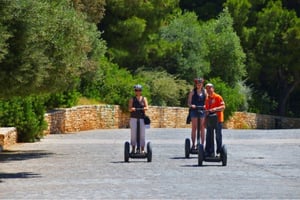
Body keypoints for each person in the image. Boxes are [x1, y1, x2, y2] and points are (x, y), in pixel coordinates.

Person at [205, 83, 225, 157]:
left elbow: (223, 107)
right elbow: (207, 109)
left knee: (218, 136)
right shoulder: (206, 99)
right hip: (210, 120)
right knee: (209, 135)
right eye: (207, 88)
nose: (208, 90)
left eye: (210, 88)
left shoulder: (218, 97)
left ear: (213, 88)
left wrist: (215, 109)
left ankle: (219, 151)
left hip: (218, 120)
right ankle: (209, 151)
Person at [128, 84, 149, 154]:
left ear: (141, 91)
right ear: (135, 91)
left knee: (142, 134)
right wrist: (132, 109)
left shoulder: (144, 99)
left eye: (139, 90)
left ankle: (142, 149)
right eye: (136, 90)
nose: (138, 92)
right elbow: (129, 109)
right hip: (133, 118)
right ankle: (133, 148)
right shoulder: (132, 99)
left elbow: (147, 107)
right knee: (133, 134)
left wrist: (143, 108)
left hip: (141, 118)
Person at [187, 78, 206, 150]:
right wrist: (191, 105)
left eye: (200, 83)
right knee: (194, 128)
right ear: (196, 84)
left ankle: (202, 145)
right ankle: (193, 145)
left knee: (202, 128)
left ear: (202, 84)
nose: (199, 85)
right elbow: (189, 102)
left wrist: (205, 106)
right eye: (198, 83)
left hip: (202, 110)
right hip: (194, 110)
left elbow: (206, 101)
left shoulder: (205, 92)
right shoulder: (192, 92)